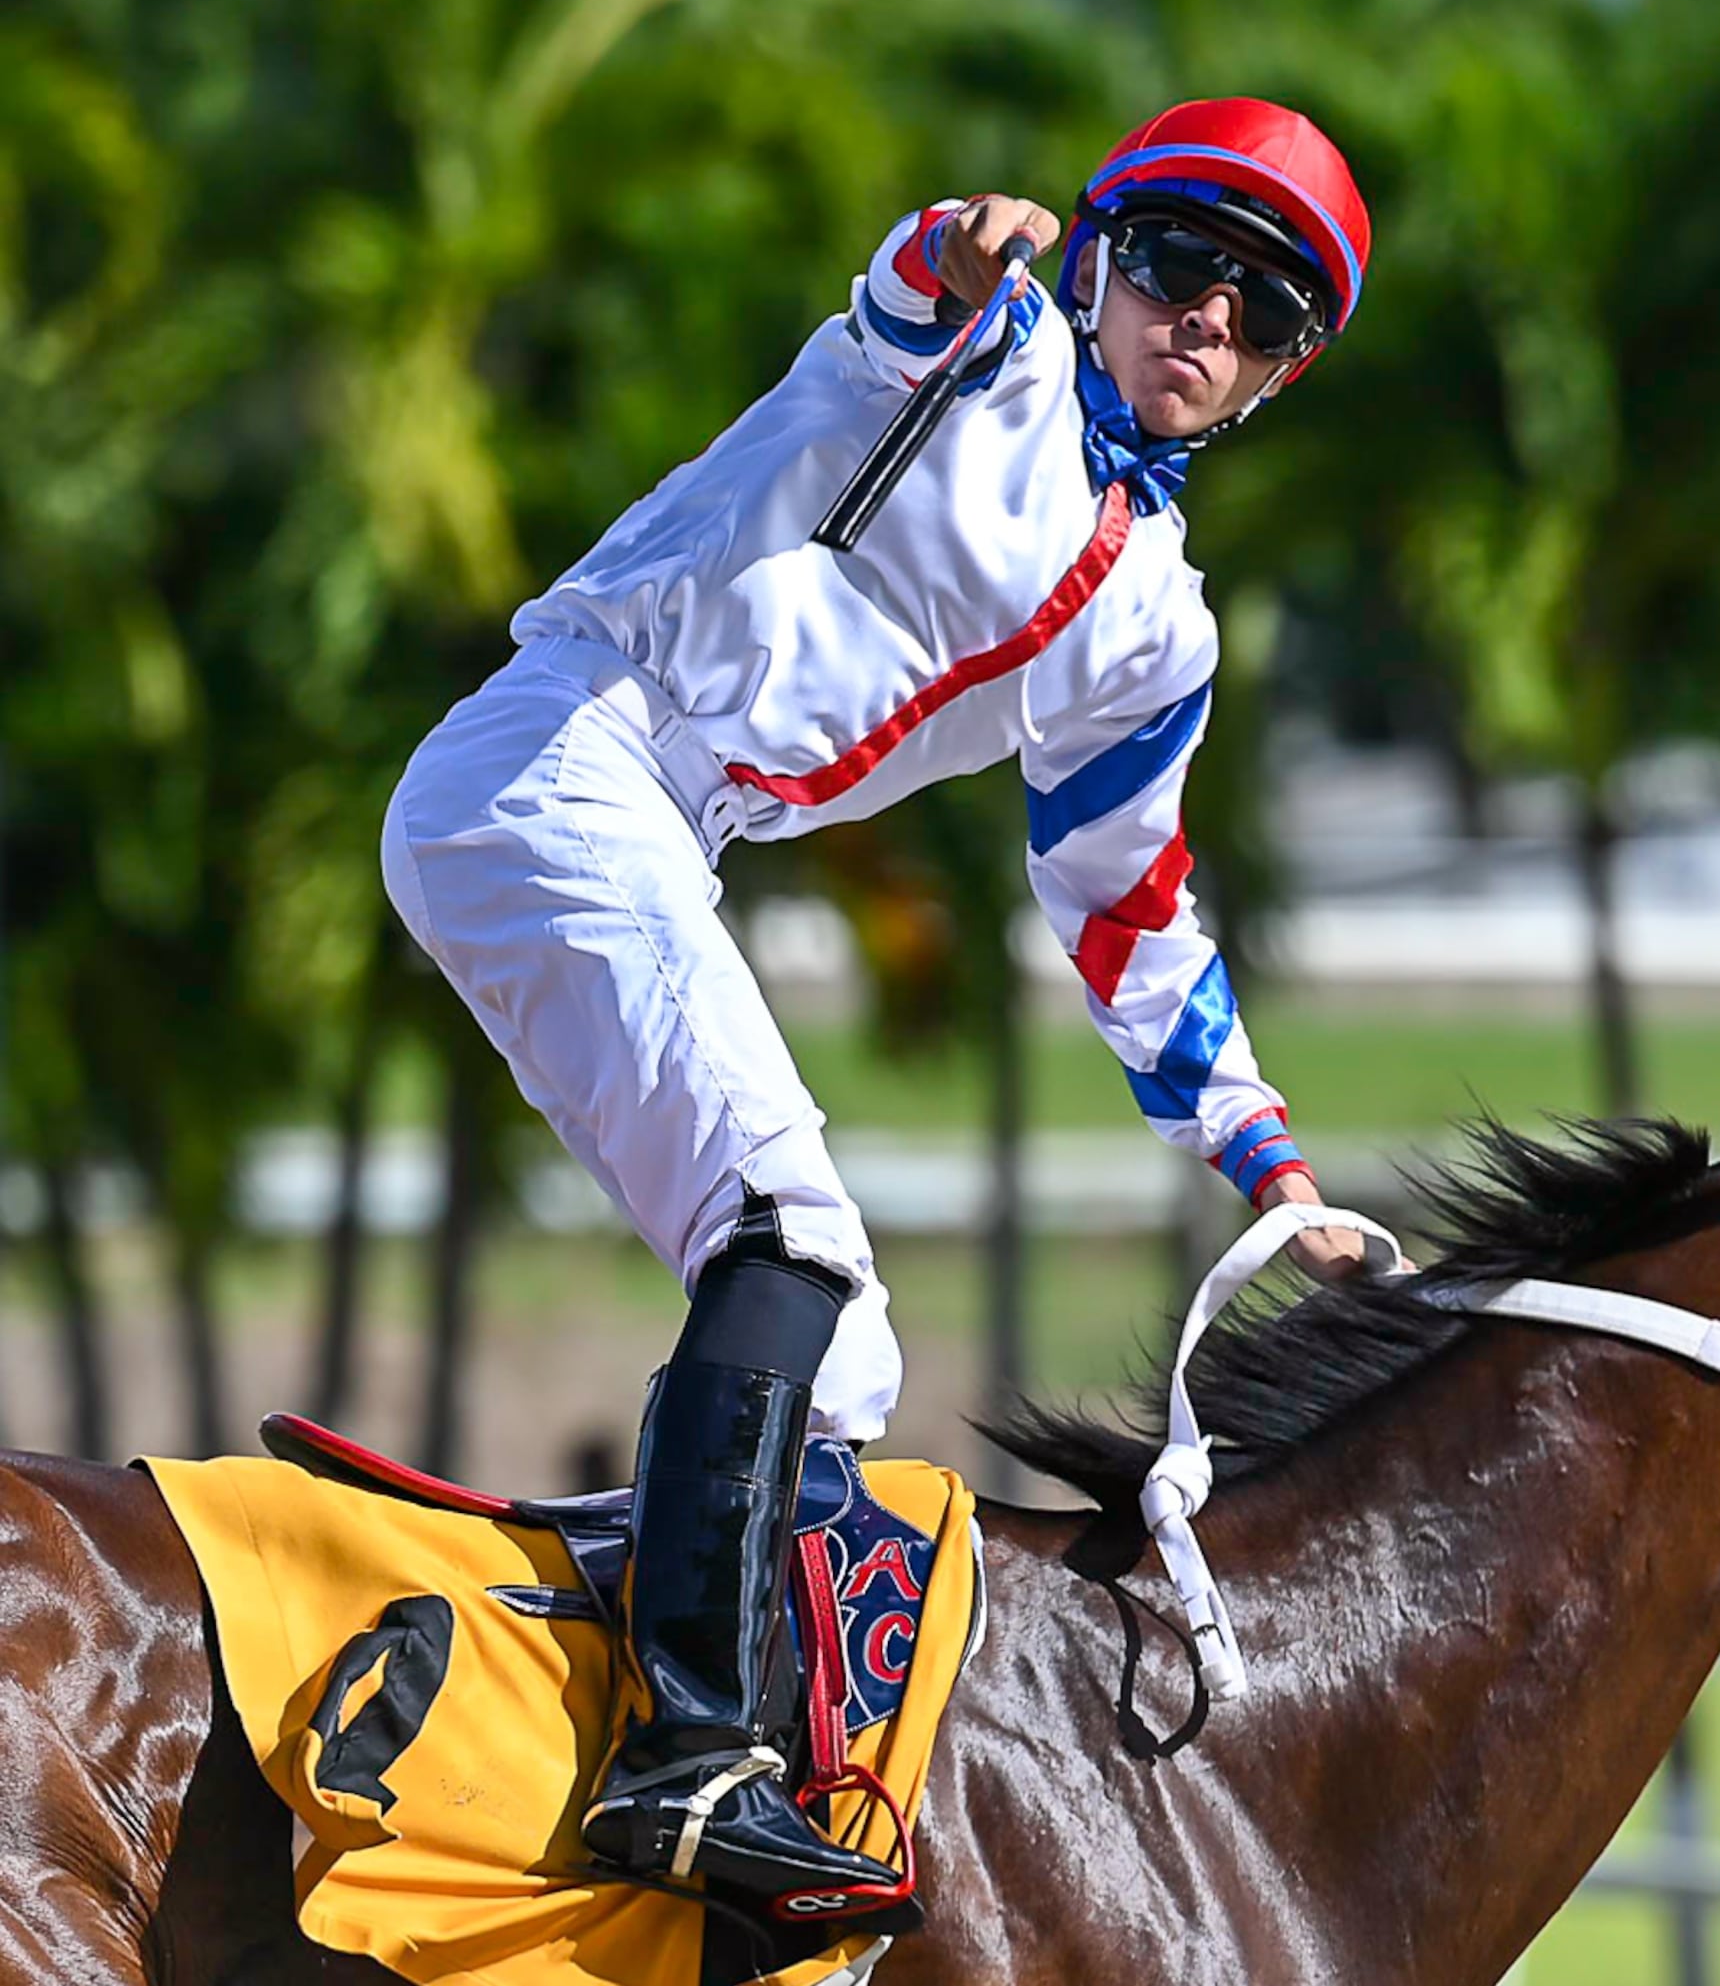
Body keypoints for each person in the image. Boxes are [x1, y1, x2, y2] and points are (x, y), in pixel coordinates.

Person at [379, 98, 1373, 1902]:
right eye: (1176, 262)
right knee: (789, 1236)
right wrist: (957, 241)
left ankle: (623, 1668)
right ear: (1097, 256)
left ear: (1283, 373)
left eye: (1265, 309)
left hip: (648, 827)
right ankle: (686, 1758)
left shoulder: (1162, 627)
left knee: (843, 1351)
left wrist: (1268, 1163)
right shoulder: (988, 345)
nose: (1207, 317)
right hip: (564, 762)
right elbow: (904, 294)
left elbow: (1124, 899)